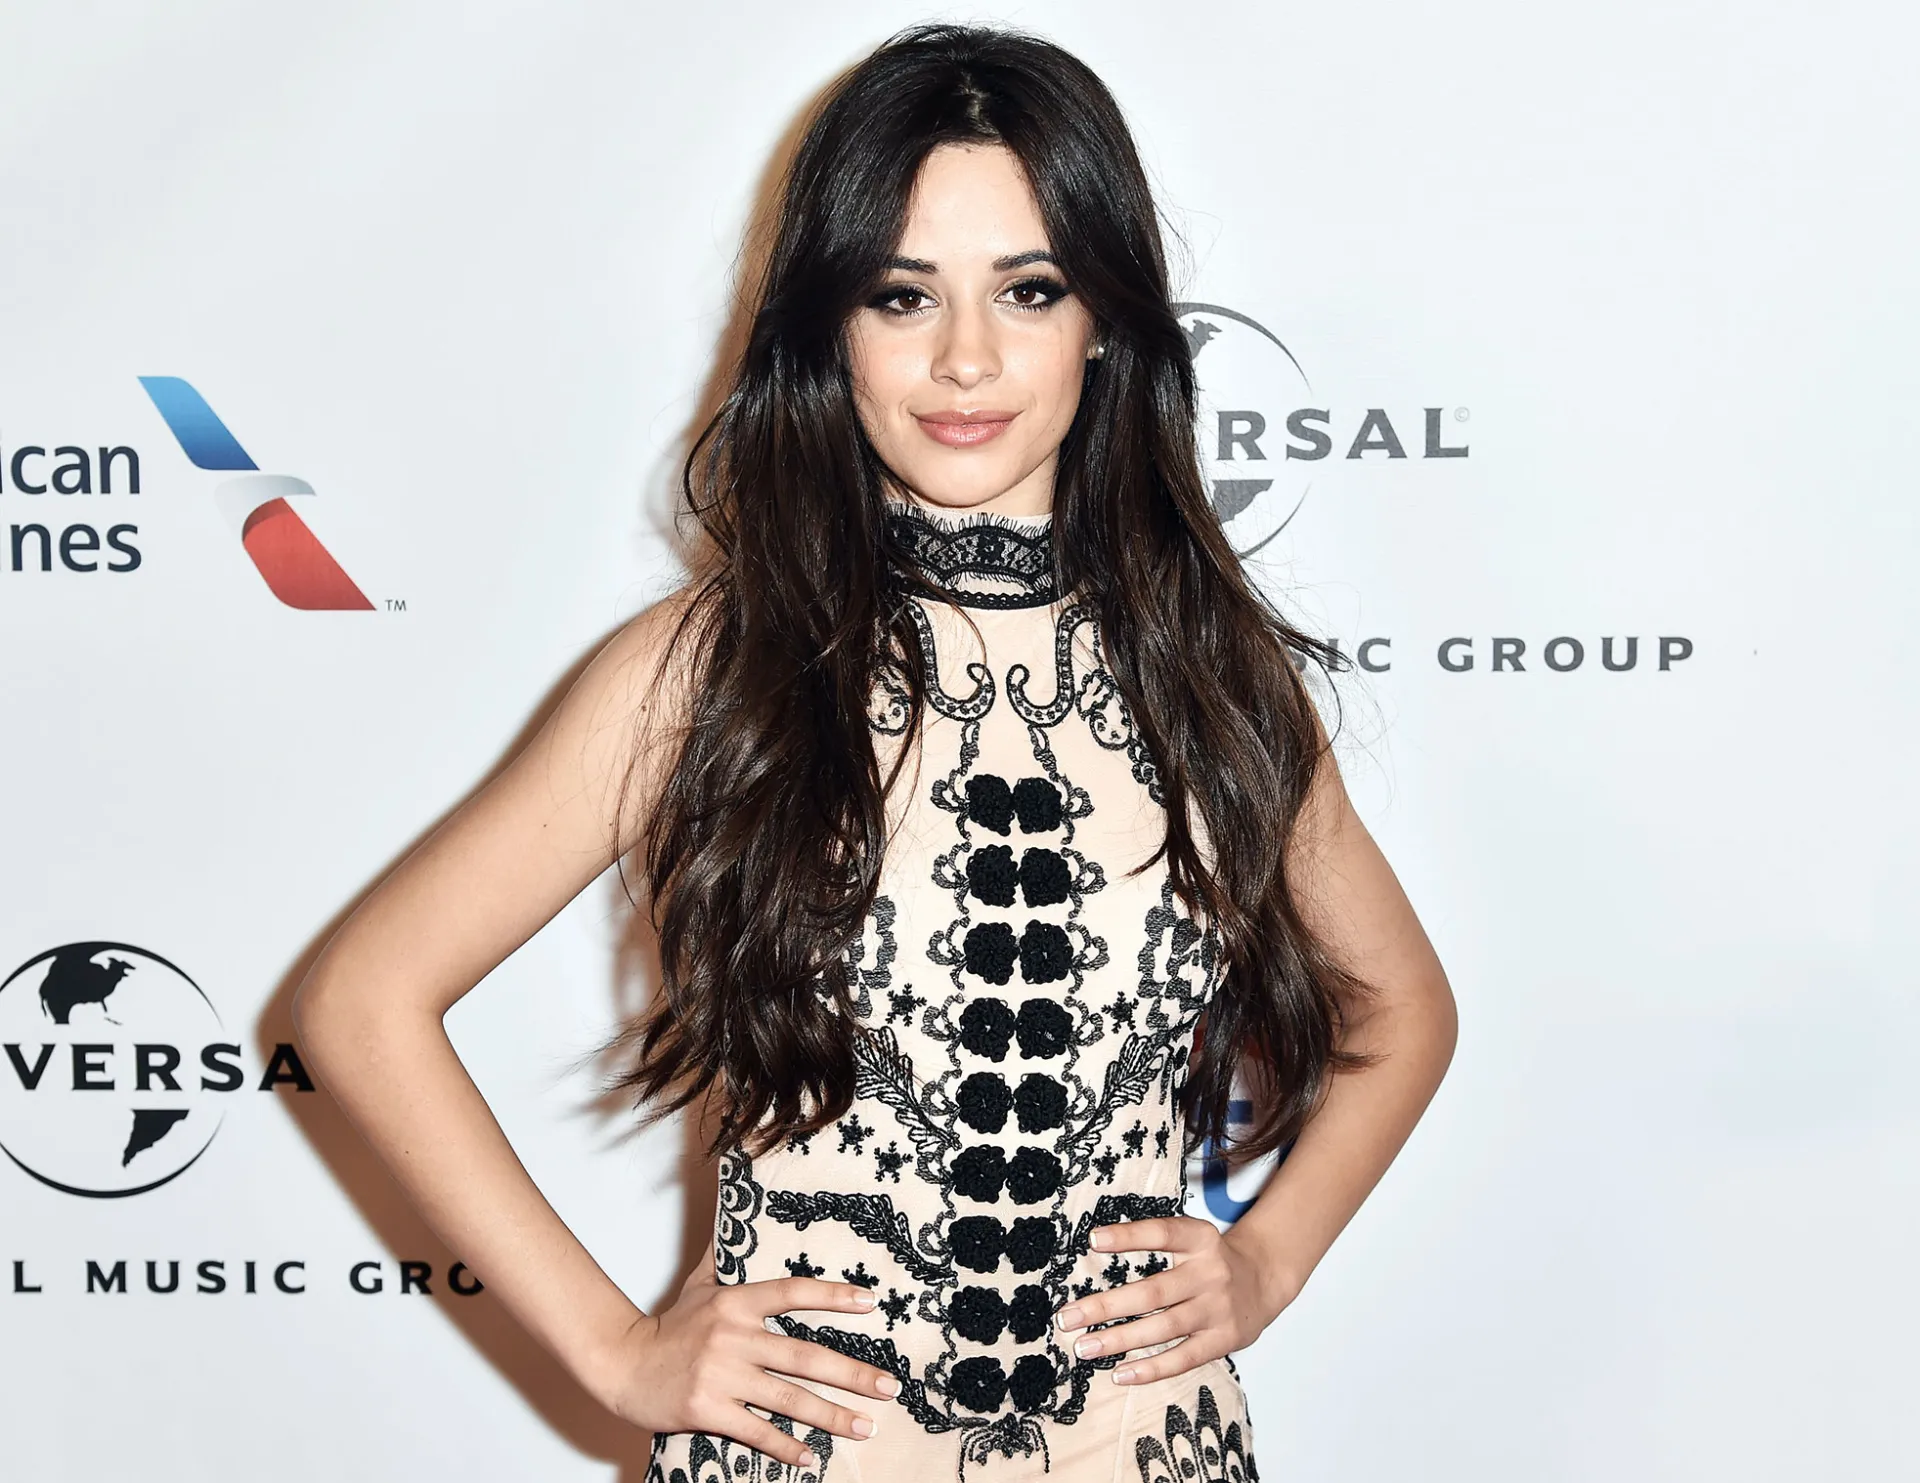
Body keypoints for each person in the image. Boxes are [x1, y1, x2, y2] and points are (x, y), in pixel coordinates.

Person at [292, 22, 1457, 1483]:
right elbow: (360, 999)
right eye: (902, 296)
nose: (965, 357)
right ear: (829, 328)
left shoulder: (1211, 671)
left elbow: (1404, 1007)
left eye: (1029, 290)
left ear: (1105, 320)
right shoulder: (711, 666)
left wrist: (1268, 1262)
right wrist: (616, 1351)